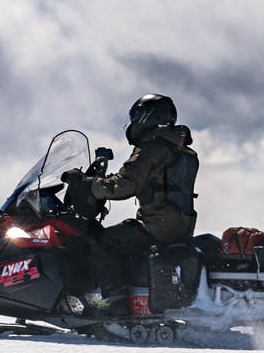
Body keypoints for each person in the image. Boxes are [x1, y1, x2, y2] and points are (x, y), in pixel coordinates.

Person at [63, 93, 198, 311]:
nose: (133, 123)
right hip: (178, 226)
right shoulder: (182, 149)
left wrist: (90, 184)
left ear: (147, 117)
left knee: (100, 242)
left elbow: (125, 185)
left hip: (156, 226)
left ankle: (113, 300)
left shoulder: (152, 148)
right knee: (124, 236)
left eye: (136, 116)